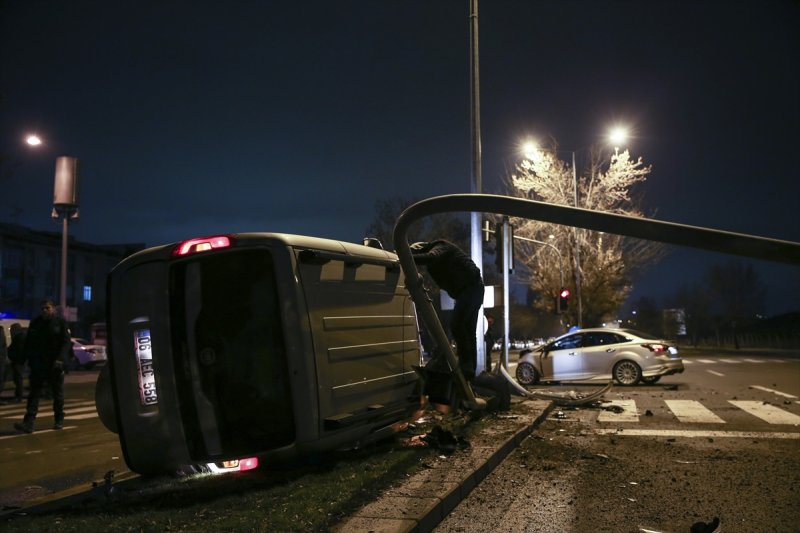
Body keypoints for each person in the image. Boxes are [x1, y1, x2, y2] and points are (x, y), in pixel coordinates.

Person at [411, 240, 484, 382]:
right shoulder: (433, 264)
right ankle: (469, 372)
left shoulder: (440, 246)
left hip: (470, 288)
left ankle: (467, 367)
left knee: (457, 324)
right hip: (470, 290)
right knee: (468, 331)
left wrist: (405, 257)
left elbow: (431, 257)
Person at [14, 300, 71, 433]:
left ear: (53, 309)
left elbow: (66, 342)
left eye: (47, 308)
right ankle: (28, 423)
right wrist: (23, 360)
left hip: (55, 364)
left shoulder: (60, 323)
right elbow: (29, 343)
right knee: (34, 394)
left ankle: (58, 419)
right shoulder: (36, 323)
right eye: (43, 308)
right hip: (38, 364)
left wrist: (61, 359)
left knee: (57, 394)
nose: (44, 311)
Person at [7, 323, 27, 402]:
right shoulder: (20, 337)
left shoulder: (19, 338)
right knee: (18, 379)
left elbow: (17, 350)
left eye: (12, 330)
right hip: (19, 361)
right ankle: (19, 395)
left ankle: (19, 396)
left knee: (18, 379)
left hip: (18, 361)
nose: (11, 332)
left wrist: (12, 356)